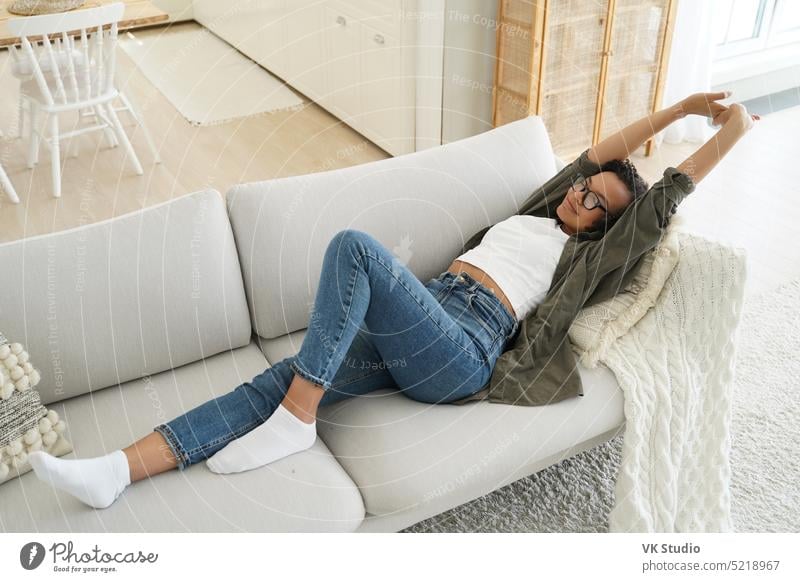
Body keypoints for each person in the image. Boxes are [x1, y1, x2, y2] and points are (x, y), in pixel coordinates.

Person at [27, 92, 759, 509]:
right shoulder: (540, 209)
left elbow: (663, 200)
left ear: (608, 225)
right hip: (429, 321)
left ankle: (298, 420)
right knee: (272, 383)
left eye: (594, 200)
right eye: (580, 185)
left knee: (354, 249)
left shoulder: (586, 258)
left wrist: (731, 128)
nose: (578, 193)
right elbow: (599, 154)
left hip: (467, 348)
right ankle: (117, 471)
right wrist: (678, 109)